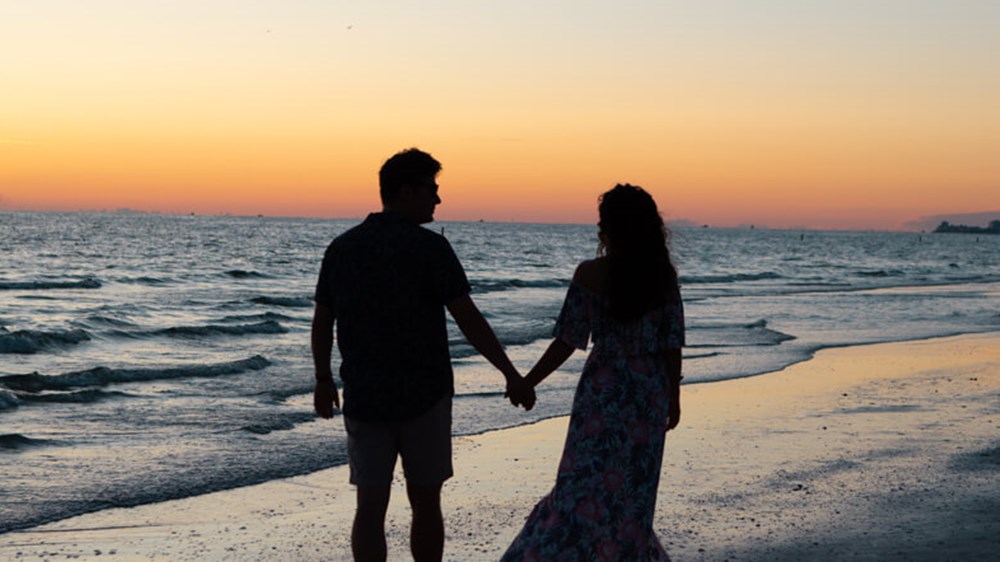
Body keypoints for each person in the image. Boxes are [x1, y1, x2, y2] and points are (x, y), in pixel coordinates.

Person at [311, 148, 531, 562]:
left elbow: (323, 320)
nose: (438, 199)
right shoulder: (431, 248)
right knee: (426, 502)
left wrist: (323, 379)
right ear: (406, 191)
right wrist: (510, 373)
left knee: (369, 506)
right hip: (425, 395)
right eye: (431, 189)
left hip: (365, 393)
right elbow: (468, 318)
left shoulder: (343, 248)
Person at [501, 183, 685, 561]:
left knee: (578, 488)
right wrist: (673, 396)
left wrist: (527, 381)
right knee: (633, 495)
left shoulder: (590, 274)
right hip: (648, 392)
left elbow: (567, 341)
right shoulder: (661, 276)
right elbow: (671, 342)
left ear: (610, 227)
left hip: (603, 389)